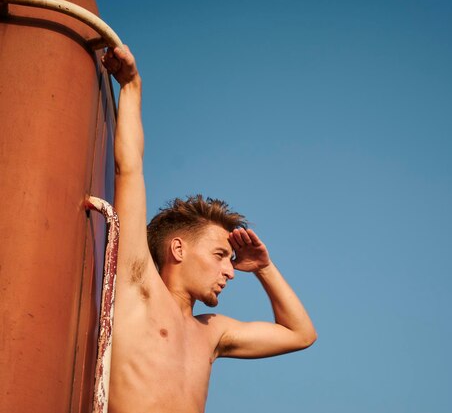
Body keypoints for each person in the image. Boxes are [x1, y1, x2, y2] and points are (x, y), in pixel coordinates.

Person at [100, 46, 316, 413]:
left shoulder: (213, 333)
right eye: (220, 255)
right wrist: (132, 87)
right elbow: (130, 169)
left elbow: (300, 334)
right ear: (178, 249)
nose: (230, 271)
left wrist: (264, 268)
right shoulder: (139, 288)